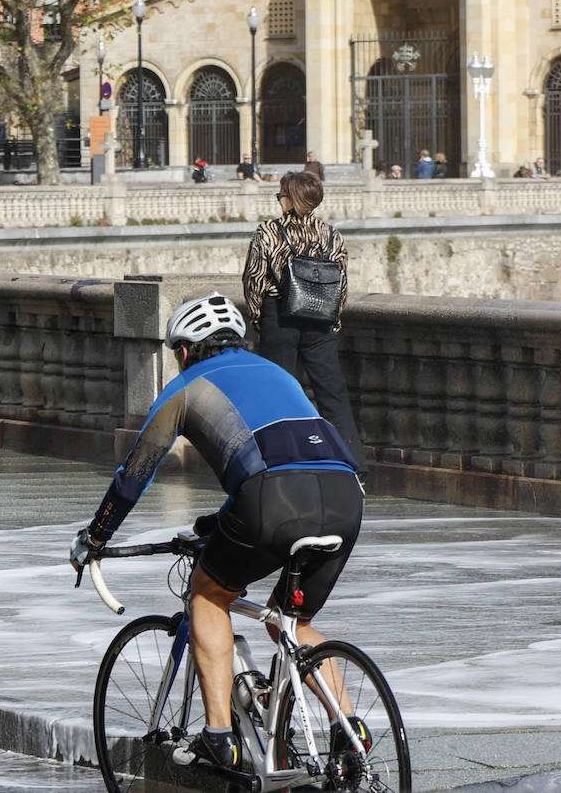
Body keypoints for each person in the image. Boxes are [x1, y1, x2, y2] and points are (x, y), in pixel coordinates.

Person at [69, 293, 363, 770]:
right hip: (345, 495)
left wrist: (95, 538)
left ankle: (218, 736)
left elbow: (134, 475)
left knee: (208, 594)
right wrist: (219, 521)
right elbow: (283, 454)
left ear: (183, 351)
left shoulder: (185, 387)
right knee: (290, 622)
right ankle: (350, 730)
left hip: (270, 500)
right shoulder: (278, 372)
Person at [241, 171, 366, 473]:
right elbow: (341, 283)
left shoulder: (268, 232)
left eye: (281, 194)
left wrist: (260, 317)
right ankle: (355, 465)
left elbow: (254, 280)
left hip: (280, 316)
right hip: (320, 320)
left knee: (277, 393)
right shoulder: (330, 234)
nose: (278, 199)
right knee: (332, 395)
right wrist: (332, 322)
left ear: (291, 198)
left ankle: (280, 462)